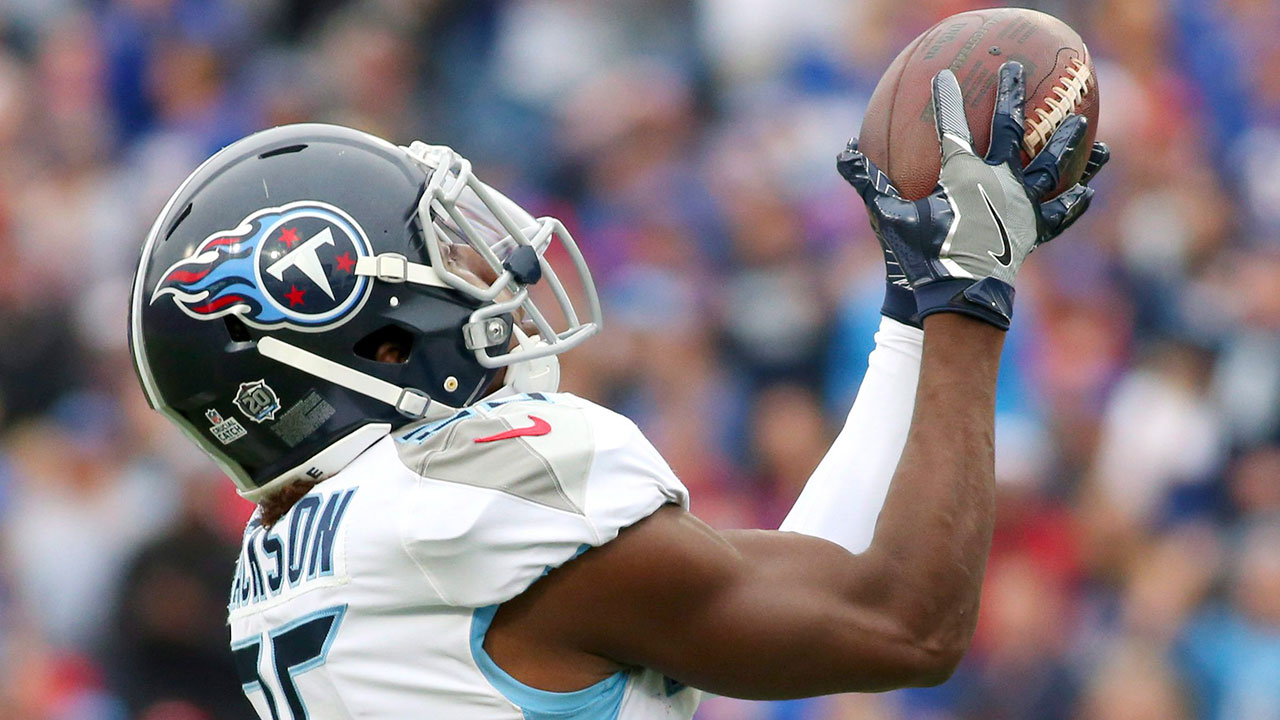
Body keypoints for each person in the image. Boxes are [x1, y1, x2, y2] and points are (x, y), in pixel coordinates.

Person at [127, 62, 1108, 719]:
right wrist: (972, 294)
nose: (486, 276)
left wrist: (907, 318)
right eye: (437, 260)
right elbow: (901, 622)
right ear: (364, 338)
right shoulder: (460, 498)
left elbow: (804, 576)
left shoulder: (295, 550)